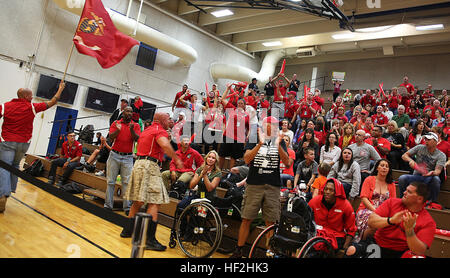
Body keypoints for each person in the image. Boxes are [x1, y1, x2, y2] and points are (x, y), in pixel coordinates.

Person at [230, 116, 292, 258]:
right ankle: (238, 250)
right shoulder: (254, 138)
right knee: (247, 218)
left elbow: (287, 162)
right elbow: (246, 159)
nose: (277, 128)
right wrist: (260, 144)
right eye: (274, 125)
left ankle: (270, 253)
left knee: (270, 222)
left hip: (273, 186)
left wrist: (278, 145)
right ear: (265, 126)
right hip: (254, 184)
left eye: (277, 125)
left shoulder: (279, 141)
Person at [121, 113, 183, 251]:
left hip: (138, 164)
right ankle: (149, 239)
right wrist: (176, 159)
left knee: (138, 200)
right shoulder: (159, 130)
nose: (170, 121)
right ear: (161, 120)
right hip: (150, 165)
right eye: (168, 119)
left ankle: (127, 230)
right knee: (155, 201)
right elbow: (165, 145)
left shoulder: (147, 130)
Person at [0, 81, 65, 212]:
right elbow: (52, 102)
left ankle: (2, 194)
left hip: (7, 141)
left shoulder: (5, 106)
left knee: (4, 167)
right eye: (30, 96)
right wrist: (60, 89)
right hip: (24, 144)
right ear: (24, 97)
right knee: (14, 166)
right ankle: (9, 192)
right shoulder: (32, 107)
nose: (32, 97)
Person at [346, 182, 436, 258]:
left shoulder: (428, 222)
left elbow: (419, 250)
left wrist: (409, 231)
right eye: (406, 190)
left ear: (419, 199)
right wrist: (391, 220)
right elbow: (371, 221)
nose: (404, 192)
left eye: (409, 192)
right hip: (377, 245)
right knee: (351, 250)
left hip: (401, 252)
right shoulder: (392, 202)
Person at [105, 106, 141, 214]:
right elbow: (111, 137)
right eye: (127, 111)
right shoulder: (116, 123)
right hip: (114, 155)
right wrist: (118, 129)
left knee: (126, 183)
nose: (129, 113)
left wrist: (131, 130)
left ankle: (127, 208)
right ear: (123, 113)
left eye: (131, 112)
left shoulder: (135, 125)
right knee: (111, 181)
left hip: (128, 157)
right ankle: (108, 205)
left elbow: (137, 139)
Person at [308, 178, 357, 251]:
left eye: (331, 190)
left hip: (336, 236)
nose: (327, 192)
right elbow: (305, 218)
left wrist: (345, 248)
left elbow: (351, 229)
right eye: (326, 189)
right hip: (316, 233)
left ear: (337, 192)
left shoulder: (345, 205)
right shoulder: (315, 201)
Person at [355, 159, 396, 241]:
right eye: (382, 165)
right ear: (377, 168)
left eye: (387, 167)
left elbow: (393, 202)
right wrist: (376, 211)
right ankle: (361, 241)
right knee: (373, 220)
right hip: (367, 209)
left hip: (384, 212)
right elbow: (364, 198)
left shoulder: (391, 184)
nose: (384, 168)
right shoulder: (369, 179)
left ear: (389, 170)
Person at [400, 132, 446, 202]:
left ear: (435, 141)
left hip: (430, 177)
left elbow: (438, 171)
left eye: (429, 140)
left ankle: (432, 202)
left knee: (436, 180)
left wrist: (431, 173)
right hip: (417, 175)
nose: (426, 141)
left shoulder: (441, 155)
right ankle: (403, 199)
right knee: (402, 178)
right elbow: (404, 155)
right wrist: (411, 161)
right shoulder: (420, 147)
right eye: (426, 139)